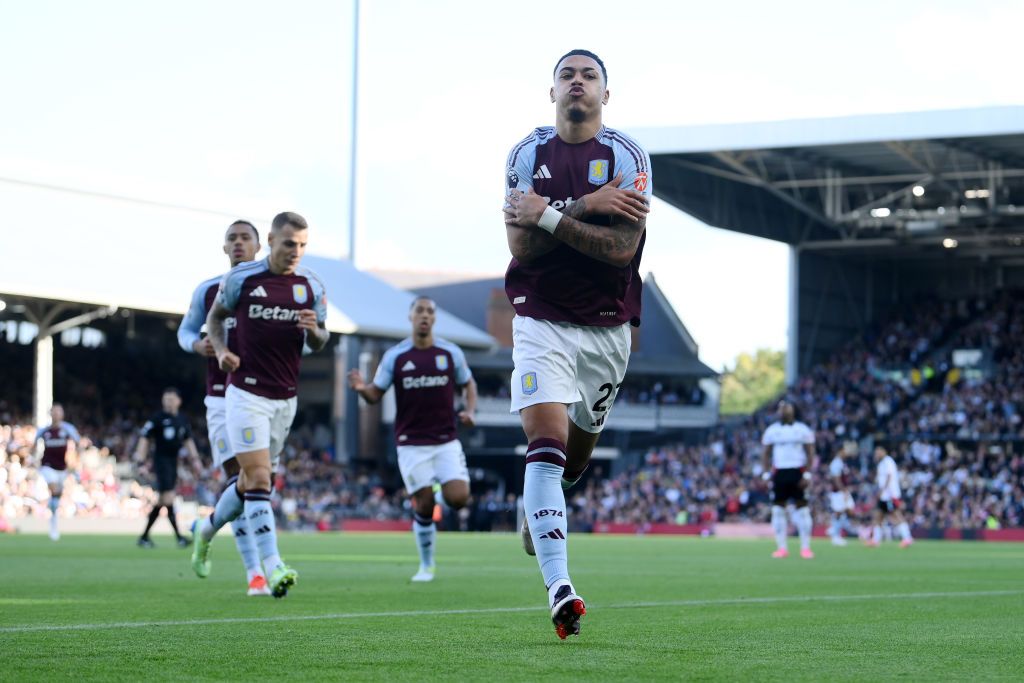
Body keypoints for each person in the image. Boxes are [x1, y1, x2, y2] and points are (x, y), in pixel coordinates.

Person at [501, 49, 652, 639]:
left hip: (607, 326)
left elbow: (621, 249)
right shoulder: (525, 153)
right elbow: (521, 249)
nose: (578, 83)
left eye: (590, 76)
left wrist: (552, 217)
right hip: (538, 317)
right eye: (568, 75)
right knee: (546, 444)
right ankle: (560, 587)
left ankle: (540, 511)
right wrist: (585, 207)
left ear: (606, 96)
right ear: (552, 91)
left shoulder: (628, 155)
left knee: (576, 461)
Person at [192, 211, 329, 598]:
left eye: (302, 245)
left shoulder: (311, 285)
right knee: (259, 477)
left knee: (251, 480)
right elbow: (215, 318)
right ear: (271, 240)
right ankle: (270, 567)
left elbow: (322, 339)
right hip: (244, 393)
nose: (296, 252)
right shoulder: (241, 279)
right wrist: (220, 350)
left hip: (285, 399)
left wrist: (313, 331)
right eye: (289, 244)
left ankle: (207, 530)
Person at [348, 296, 478, 582]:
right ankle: (426, 564)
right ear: (410, 317)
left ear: (434, 319)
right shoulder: (396, 356)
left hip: (445, 439)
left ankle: (440, 488)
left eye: (430, 311)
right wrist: (360, 388)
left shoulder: (450, 353)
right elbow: (374, 395)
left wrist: (469, 410)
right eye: (419, 310)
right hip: (411, 443)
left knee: (458, 499)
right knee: (423, 505)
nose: (424, 316)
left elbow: (468, 383)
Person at [178, 219, 270, 596]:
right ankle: (257, 573)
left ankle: (208, 526)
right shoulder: (208, 290)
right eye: (231, 238)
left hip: (265, 397)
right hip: (220, 397)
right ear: (224, 247)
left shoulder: (270, 291)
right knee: (242, 481)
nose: (237, 243)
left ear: (258, 245)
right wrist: (197, 346)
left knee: (257, 483)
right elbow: (186, 331)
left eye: (244, 237)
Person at [136, 387, 203, 548]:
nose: (168, 402)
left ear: (179, 401)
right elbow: (145, 439)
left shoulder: (182, 419)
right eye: (166, 399)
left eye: (171, 399)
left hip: (174, 462)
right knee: (168, 497)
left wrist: (195, 460)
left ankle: (144, 537)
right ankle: (179, 537)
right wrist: (140, 461)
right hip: (161, 461)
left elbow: (188, 440)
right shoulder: (157, 418)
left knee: (163, 500)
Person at [760, 401, 816, 559]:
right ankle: (781, 548)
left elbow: (811, 453)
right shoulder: (772, 431)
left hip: (798, 471)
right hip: (779, 472)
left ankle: (805, 548)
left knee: (803, 510)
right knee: (778, 511)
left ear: (793, 410)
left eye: (787, 407)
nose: (784, 409)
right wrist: (765, 474)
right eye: (781, 407)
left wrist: (807, 474)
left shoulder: (802, 430)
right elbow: (765, 454)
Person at [34, 404, 80, 541]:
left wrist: (75, 461)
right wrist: (34, 461)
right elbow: (33, 445)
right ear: (50, 414)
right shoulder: (44, 430)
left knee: (56, 497)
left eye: (59, 412)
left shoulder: (68, 429)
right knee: (53, 490)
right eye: (54, 412)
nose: (56, 414)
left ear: (62, 414)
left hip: (62, 468)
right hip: (47, 466)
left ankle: (53, 518)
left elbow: (78, 444)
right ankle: (53, 523)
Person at [868, 446, 913, 548]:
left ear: (883, 451)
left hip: (889, 495)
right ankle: (875, 540)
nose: (877, 454)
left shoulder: (888, 461)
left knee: (895, 515)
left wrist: (882, 490)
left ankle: (907, 538)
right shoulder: (882, 463)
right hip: (884, 496)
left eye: (878, 452)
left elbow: (889, 476)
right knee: (878, 516)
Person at [826, 451, 855, 546]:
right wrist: (843, 491)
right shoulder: (836, 463)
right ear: (840, 451)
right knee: (840, 512)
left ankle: (833, 530)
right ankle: (835, 535)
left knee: (848, 510)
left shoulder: (842, 462)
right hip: (838, 492)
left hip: (842, 491)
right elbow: (836, 479)